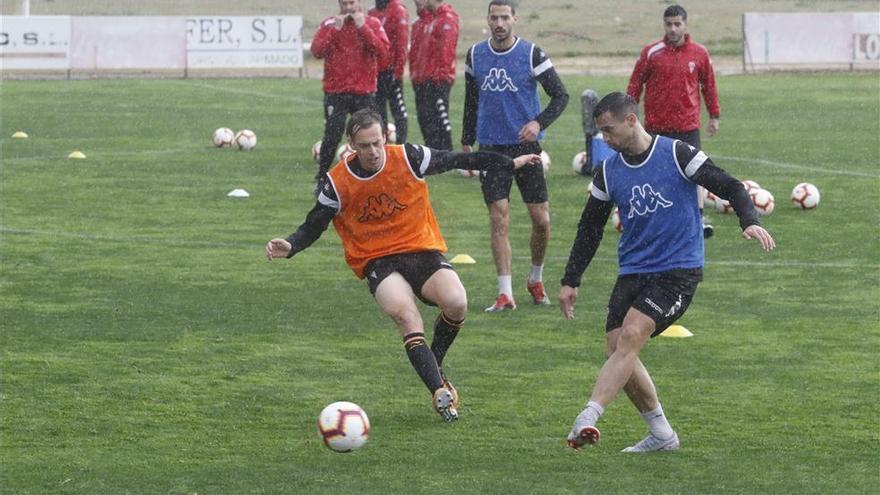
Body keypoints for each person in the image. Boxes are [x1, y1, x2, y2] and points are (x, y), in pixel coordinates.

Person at [266, 109, 542, 422]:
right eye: (364, 146)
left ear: (386, 136)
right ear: (351, 145)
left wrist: (508, 163)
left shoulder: (409, 157)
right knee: (406, 315)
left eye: (377, 143)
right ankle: (438, 389)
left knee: (457, 302)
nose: (373, 152)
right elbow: (314, 224)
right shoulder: (337, 182)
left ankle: (432, 362)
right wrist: (292, 245)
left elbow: (456, 160)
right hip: (377, 259)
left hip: (420, 249)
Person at [559, 93, 775, 452]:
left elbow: (731, 185)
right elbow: (589, 229)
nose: (605, 140)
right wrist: (571, 280)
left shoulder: (678, 155)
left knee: (630, 336)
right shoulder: (609, 172)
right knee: (617, 348)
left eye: (609, 131)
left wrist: (748, 221)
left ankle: (588, 416)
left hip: (678, 271)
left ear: (631, 120)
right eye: (601, 133)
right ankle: (661, 434)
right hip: (633, 270)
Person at [461, 0, 569, 312]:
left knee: (541, 220)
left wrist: (538, 123)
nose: (499, 23)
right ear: (488, 19)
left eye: (504, 17)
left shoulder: (532, 54)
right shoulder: (476, 54)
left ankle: (535, 278)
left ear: (514, 19)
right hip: (491, 149)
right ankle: (505, 292)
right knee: (499, 217)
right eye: (494, 17)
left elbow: (560, 95)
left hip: (526, 148)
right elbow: (471, 99)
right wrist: (468, 139)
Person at [626, 4, 721, 239]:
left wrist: (714, 115)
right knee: (655, 174)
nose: (673, 29)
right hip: (657, 126)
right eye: (669, 24)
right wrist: (628, 114)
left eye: (677, 24)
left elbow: (708, 85)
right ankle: (655, 220)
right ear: (664, 25)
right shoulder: (651, 52)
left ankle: (696, 219)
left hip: (687, 126)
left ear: (685, 25)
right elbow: (635, 84)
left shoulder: (699, 53)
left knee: (695, 172)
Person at [311, 0, 390, 183]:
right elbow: (316, 51)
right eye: (344, 3)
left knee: (371, 134)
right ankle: (323, 177)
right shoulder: (330, 24)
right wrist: (335, 30)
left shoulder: (371, 24)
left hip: (363, 91)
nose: (348, 8)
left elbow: (383, 51)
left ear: (359, 2)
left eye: (351, 3)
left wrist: (362, 27)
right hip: (336, 91)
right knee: (332, 134)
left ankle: (379, 174)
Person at [409, 0, 459, 150]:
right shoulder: (434, 19)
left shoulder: (447, 19)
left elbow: (446, 52)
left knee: (440, 117)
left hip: (437, 80)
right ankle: (434, 154)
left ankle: (448, 155)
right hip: (426, 78)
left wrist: (441, 78)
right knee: (427, 118)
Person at [368, 0, 409, 143]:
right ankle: (382, 145)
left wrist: (397, 72)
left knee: (397, 108)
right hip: (375, 72)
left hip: (390, 71)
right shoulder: (372, 12)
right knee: (378, 111)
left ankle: (401, 146)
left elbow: (401, 44)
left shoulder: (397, 10)